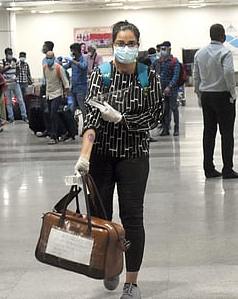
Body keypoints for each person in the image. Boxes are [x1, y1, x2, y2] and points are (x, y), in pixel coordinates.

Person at [74, 20, 163, 299]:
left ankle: (132, 282)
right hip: (101, 156)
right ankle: (110, 266)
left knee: (132, 217)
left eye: (131, 43)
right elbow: (90, 119)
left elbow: (155, 117)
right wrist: (83, 157)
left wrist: (123, 119)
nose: (126, 48)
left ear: (138, 45)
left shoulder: (149, 77)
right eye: (120, 44)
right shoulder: (100, 74)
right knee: (101, 217)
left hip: (134, 156)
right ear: (113, 45)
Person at [193, 23, 238, 179]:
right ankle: (227, 169)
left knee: (208, 133)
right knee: (227, 133)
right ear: (224, 36)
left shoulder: (199, 53)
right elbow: (228, 72)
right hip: (222, 96)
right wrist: (232, 92)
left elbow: (196, 76)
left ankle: (208, 168)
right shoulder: (225, 52)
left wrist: (199, 94)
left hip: (207, 96)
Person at [43, 50, 70, 144]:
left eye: (51, 58)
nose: (49, 60)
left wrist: (67, 95)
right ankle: (64, 131)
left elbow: (66, 82)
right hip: (48, 94)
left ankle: (53, 137)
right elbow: (46, 81)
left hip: (57, 94)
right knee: (52, 115)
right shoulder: (45, 68)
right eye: (47, 58)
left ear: (54, 59)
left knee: (53, 114)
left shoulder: (59, 68)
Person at [155, 41, 180, 136]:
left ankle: (176, 128)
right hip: (162, 90)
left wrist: (169, 86)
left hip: (172, 90)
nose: (162, 51)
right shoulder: (160, 61)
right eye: (161, 49)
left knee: (174, 108)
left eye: (164, 49)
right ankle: (166, 129)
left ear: (169, 50)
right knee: (165, 110)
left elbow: (176, 75)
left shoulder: (174, 61)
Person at [63, 43, 88, 134]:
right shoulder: (73, 61)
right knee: (72, 108)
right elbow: (64, 67)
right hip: (73, 88)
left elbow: (83, 66)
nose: (71, 53)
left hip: (81, 88)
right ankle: (72, 128)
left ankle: (86, 127)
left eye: (72, 51)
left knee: (83, 108)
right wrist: (58, 63)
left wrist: (72, 61)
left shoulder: (83, 59)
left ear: (77, 51)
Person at [0, 47, 28, 123]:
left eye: (11, 53)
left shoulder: (15, 61)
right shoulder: (2, 61)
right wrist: (9, 66)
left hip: (15, 83)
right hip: (6, 84)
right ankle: (11, 117)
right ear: (5, 54)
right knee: (8, 101)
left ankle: (24, 116)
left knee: (20, 100)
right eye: (9, 54)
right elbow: (0, 71)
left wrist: (16, 75)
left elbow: (18, 70)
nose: (10, 55)